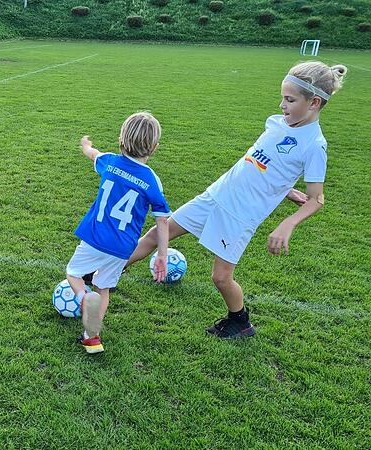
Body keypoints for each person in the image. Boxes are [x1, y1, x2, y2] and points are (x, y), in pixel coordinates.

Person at [125, 61, 347, 339]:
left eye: (290, 100)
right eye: (282, 98)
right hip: (217, 194)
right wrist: (285, 189)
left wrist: (287, 224)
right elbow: (263, 163)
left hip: (240, 214)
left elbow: (316, 199)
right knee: (159, 232)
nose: (282, 105)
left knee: (220, 278)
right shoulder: (277, 123)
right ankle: (103, 274)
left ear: (314, 102)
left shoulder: (314, 145)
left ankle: (240, 322)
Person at [66, 112, 172, 354]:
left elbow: (92, 154)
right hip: (123, 247)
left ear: (121, 140)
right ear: (154, 147)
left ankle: (84, 298)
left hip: (95, 237)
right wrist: (162, 254)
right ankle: (92, 338)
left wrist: (86, 145)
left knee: (73, 273)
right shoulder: (153, 181)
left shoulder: (110, 162)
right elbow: (162, 220)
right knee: (103, 287)